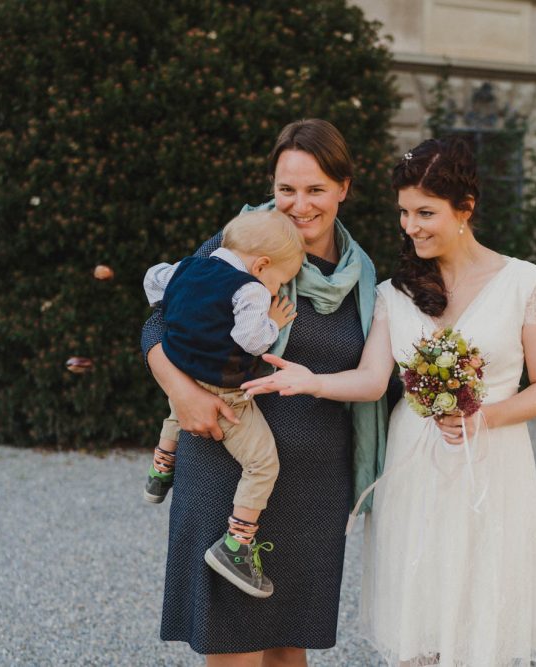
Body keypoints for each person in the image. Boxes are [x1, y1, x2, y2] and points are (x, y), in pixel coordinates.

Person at [242, 137, 536, 666]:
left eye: (425, 213)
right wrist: (310, 381)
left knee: (481, 610)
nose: (410, 226)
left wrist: (483, 417)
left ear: (465, 208)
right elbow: (373, 380)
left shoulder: (523, 283)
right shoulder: (394, 292)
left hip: (491, 464)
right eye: (404, 213)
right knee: (418, 621)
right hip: (412, 465)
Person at [140, 119, 387, 666]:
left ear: (344, 188)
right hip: (228, 468)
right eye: (286, 189)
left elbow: (373, 374)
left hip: (315, 484)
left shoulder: (363, 275)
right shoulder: (244, 241)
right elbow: (157, 325)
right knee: (233, 648)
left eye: (316, 189)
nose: (299, 205)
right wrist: (182, 394)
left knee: (288, 649)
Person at [141, 209, 303, 599]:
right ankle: (236, 545)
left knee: (176, 409)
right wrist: (273, 322)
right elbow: (251, 340)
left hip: (183, 373)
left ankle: (160, 471)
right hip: (223, 390)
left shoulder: (186, 267)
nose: (277, 288)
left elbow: (152, 281)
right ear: (261, 265)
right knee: (262, 463)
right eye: (279, 281)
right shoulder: (249, 289)